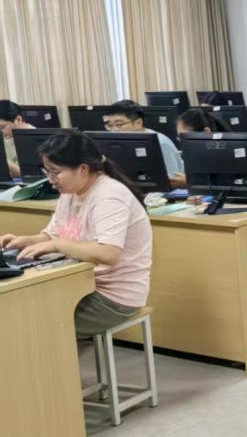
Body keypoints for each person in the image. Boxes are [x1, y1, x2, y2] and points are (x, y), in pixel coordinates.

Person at [1, 130, 152, 338]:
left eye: (55, 172)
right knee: (18, 309)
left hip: (113, 297)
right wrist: (25, 241)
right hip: (79, 283)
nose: (51, 180)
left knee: (32, 324)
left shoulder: (110, 197)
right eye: (47, 172)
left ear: (83, 169)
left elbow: (108, 253)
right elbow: (53, 235)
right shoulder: (70, 192)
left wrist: (58, 245)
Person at [104, 100, 185, 189]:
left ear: (138, 123)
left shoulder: (161, 143)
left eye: (119, 124)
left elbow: (174, 181)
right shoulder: (116, 145)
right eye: (110, 125)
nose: (113, 130)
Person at [1, 100, 36, 176]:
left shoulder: (35, 139)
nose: (1, 132)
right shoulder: (10, 137)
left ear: (18, 120)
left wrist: (4, 161)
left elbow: (31, 175)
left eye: (2, 127)